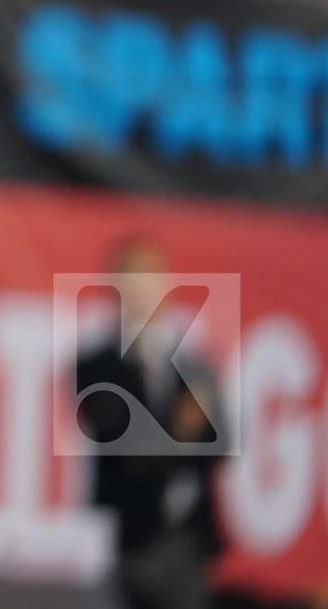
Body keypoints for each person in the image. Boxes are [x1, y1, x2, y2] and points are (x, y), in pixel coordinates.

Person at [75, 237, 228, 609]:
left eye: (150, 280)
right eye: (131, 282)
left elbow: (219, 442)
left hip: (189, 540)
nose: (142, 294)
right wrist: (181, 428)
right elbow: (125, 435)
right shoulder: (96, 366)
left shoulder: (193, 365)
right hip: (129, 540)